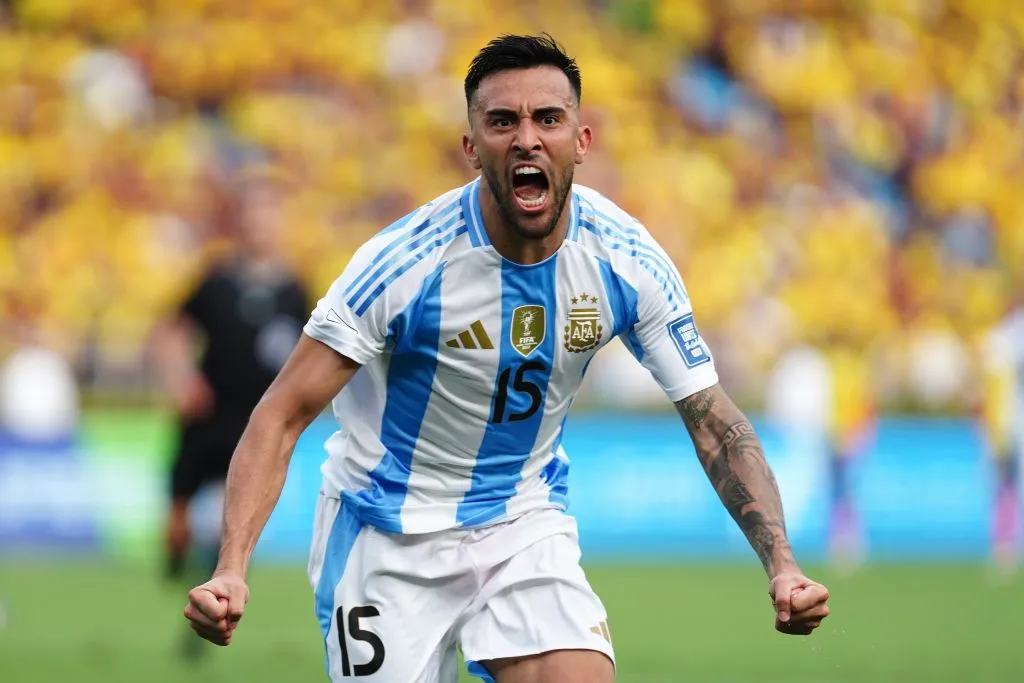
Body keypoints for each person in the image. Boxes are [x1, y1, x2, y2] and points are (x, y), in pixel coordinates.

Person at [183, 34, 831, 683]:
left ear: (581, 139)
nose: (526, 138)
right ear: (471, 148)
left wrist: (782, 563)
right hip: (384, 536)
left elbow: (712, 418)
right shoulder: (402, 265)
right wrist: (231, 566)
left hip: (519, 521)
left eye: (547, 118)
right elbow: (281, 414)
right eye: (502, 121)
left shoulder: (626, 262)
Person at [156, 169, 310, 653]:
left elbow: (314, 354)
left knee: (234, 523)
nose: (259, 224)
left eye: (268, 215)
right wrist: (182, 378)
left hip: (257, 426)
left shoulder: (295, 290)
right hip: (205, 420)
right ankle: (185, 563)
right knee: (178, 522)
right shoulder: (216, 280)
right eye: (252, 215)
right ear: (240, 222)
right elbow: (171, 332)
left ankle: (215, 593)